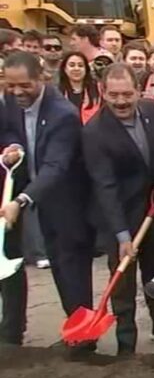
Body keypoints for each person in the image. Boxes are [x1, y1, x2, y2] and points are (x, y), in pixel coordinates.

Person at [82, 63, 154, 353]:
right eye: (114, 95)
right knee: (123, 282)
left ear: (138, 91)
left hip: (150, 210)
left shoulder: (151, 112)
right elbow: (104, 187)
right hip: (115, 216)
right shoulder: (95, 132)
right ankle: (126, 342)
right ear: (103, 93)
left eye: (127, 94)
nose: (121, 101)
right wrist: (122, 236)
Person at [0, 52, 95, 349]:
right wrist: (13, 148)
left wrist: (22, 200)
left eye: (24, 85)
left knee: (72, 270)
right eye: (11, 85)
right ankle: (76, 333)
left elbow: (56, 166)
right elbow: (13, 134)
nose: (17, 92)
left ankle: (84, 338)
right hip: (39, 197)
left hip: (69, 202)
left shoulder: (62, 114)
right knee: (57, 265)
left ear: (41, 78)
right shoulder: (12, 104)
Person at [57, 51, 100, 125]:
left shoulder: (98, 90)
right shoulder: (56, 92)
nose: (76, 69)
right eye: (72, 65)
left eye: (80, 65)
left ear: (86, 69)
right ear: (64, 69)